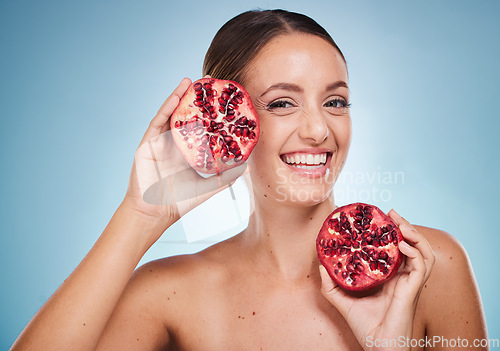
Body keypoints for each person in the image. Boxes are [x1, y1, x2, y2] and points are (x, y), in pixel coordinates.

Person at [12, 9, 487, 351]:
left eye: (336, 101)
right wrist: (140, 214)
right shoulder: (168, 296)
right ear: (225, 120)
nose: (319, 129)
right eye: (282, 102)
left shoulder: (424, 268)